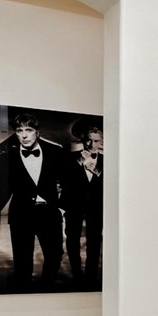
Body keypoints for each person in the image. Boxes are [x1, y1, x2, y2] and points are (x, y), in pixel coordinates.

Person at [0, 114, 65, 289]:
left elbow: (69, 182)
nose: (24, 135)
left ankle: (46, 288)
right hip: (21, 215)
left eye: (29, 130)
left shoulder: (55, 151)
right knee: (22, 260)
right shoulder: (7, 156)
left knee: (55, 255)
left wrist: (62, 208)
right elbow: (4, 190)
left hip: (49, 214)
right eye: (19, 130)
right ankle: (25, 296)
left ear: (37, 133)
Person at [63, 123, 105, 289]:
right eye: (90, 140)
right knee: (72, 239)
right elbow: (65, 182)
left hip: (96, 206)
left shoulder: (105, 161)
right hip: (74, 205)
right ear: (84, 140)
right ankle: (76, 273)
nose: (93, 144)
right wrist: (80, 162)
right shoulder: (71, 158)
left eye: (97, 141)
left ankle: (91, 275)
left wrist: (96, 170)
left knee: (94, 240)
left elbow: (110, 183)